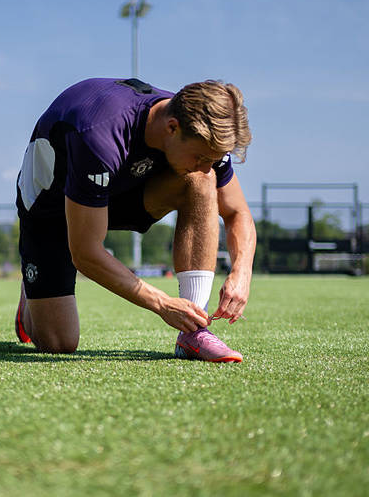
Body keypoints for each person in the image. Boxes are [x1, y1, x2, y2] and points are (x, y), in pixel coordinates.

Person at [14, 77, 255, 362]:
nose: (206, 166)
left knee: (201, 182)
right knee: (59, 342)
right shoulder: (99, 135)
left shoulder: (198, 137)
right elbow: (86, 253)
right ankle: (31, 291)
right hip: (52, 210)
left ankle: (194, 332)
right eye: (201, 156)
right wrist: (163, 303)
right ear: (172, 128)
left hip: (124, 189)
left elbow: (237, 212)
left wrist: (242, 272)